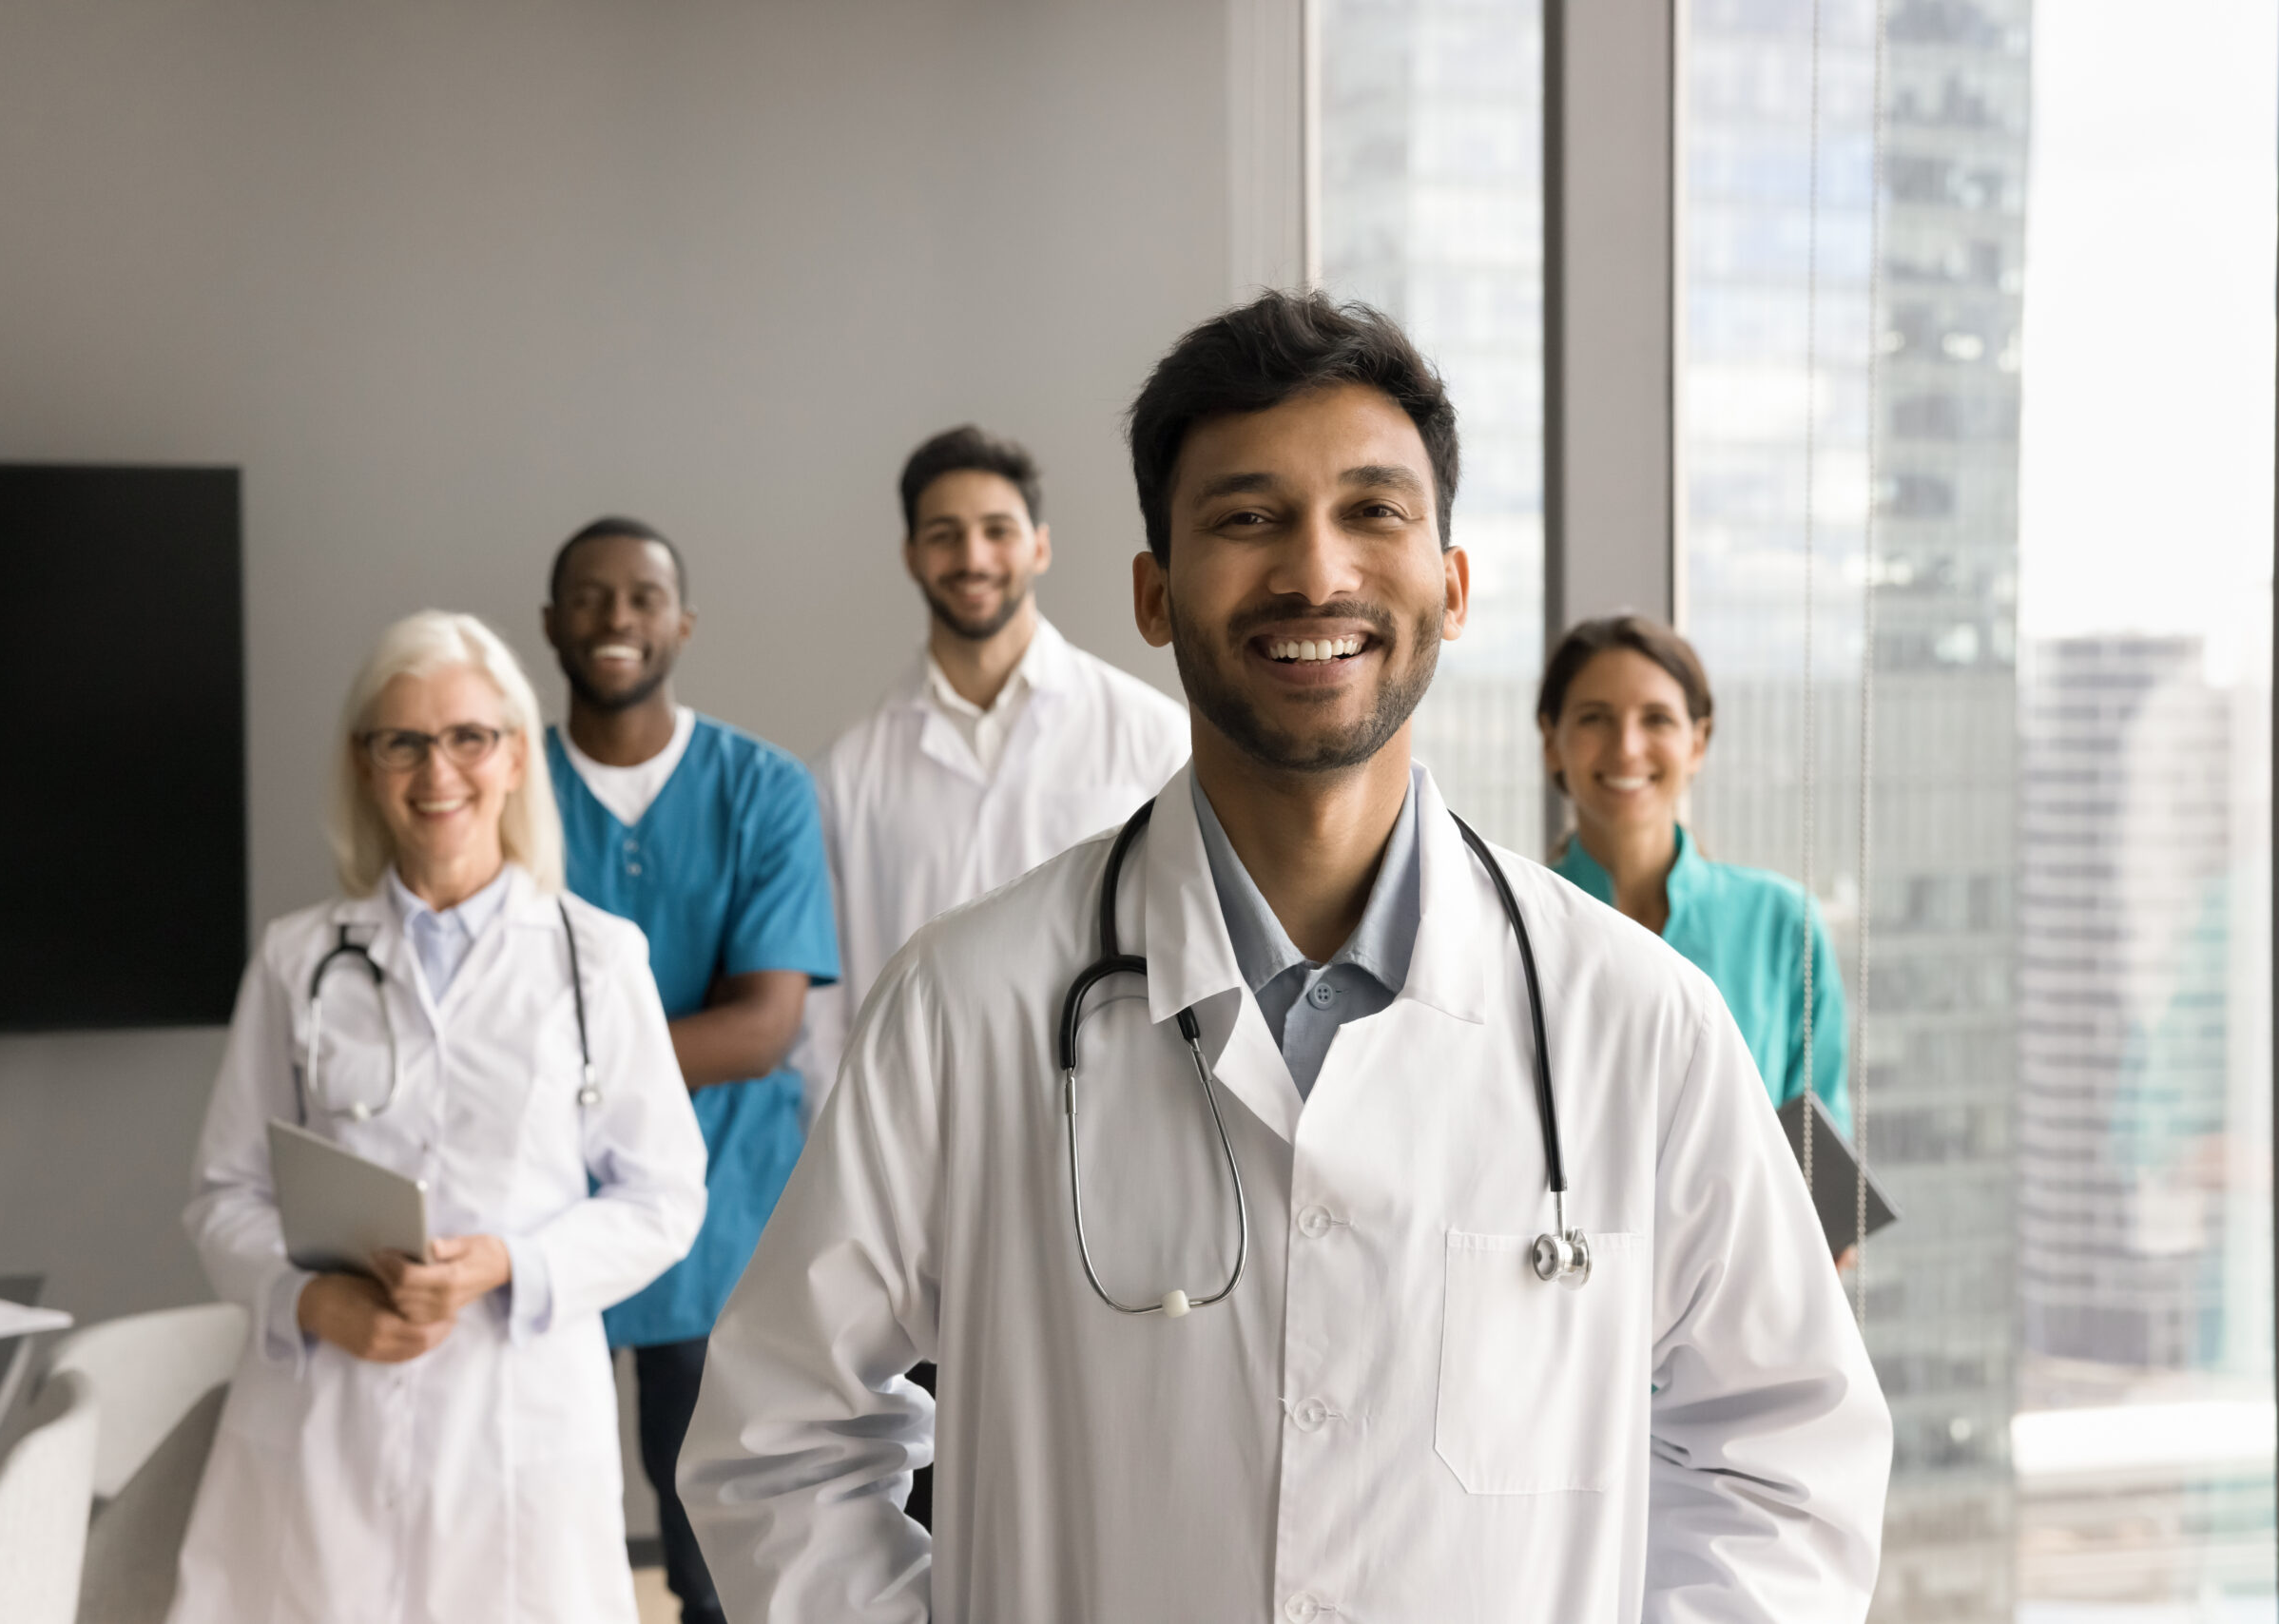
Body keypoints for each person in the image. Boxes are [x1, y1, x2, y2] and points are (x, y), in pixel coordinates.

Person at [679, 291, 1889, 1622]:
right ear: (1151, 594)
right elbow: (778, 1440)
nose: (1316, 571)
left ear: (1454, 588)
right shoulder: (965, 1003)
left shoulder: (1667, 997)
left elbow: (1786, 1451)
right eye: (1247, 518)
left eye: (1374, 511)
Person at [171, 610, 706, 1624]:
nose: (437, 771)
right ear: (365, 764)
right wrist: (308, 1302)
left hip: (517, 1405)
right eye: (403, 742)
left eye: (469, 737)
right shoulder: (296, 959)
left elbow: (665, 1198)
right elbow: (223, 1195)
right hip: (328, 1406)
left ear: (516, 757)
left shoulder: (597, 958)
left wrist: (507, 1262)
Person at [537, 516, 840, 1624]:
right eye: (590, 596)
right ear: (552, 624)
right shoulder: (504, 785)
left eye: (643, 597)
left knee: (716, 1557)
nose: (616, 617)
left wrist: (547, 1066)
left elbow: (762, 1028)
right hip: (534, 1213)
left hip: (717, 1219)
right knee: (530, 1534)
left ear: (683, 623)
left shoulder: (761, 787)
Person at [796, 424, 1188, 1110]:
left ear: (1040, 546)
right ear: (912, 556)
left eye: (997, 530)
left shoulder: (1155, 737)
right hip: (917, 1124)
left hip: (1113, 1112)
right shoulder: (845, 773)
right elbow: (820, 1013)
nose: (972, 557)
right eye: (944, 534)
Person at [1535, 613, 1853, 1135]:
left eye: (1657, 719)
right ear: (1552, 741)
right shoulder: (1510, 925)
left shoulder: (1782, 924)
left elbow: (1818, 1158)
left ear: (1697, 743)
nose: (1627, 747)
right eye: (1595, 718)